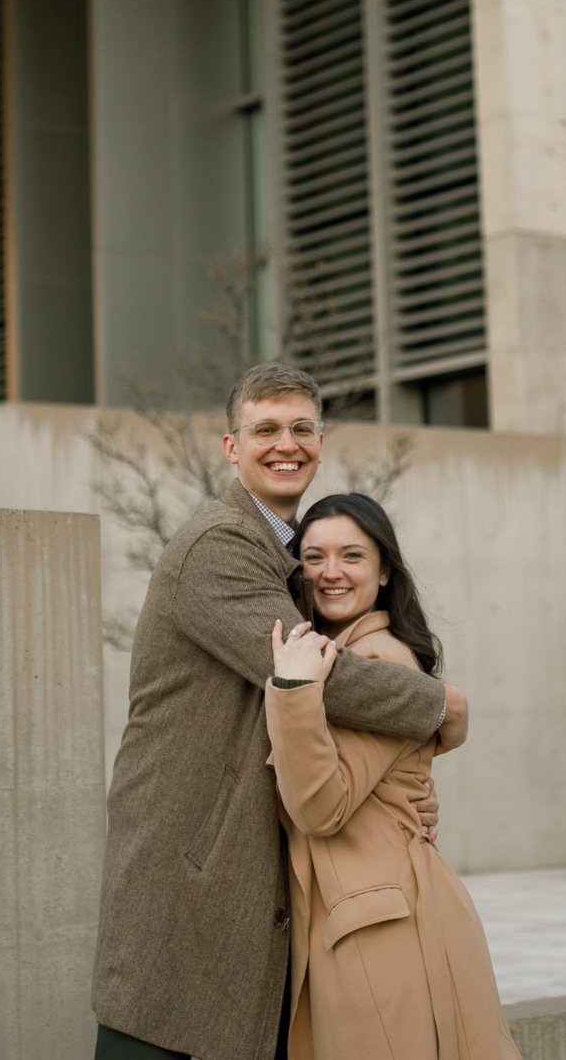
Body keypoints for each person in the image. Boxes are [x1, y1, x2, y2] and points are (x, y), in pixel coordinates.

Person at [94, 364, 471, 1060]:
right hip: (188, 877)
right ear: (231, 447)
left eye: (301, 427)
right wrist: (443, 707)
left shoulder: (285, 556)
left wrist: (402, 783)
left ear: (320, 442)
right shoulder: (222, 545)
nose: (285, 443)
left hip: (246, 882)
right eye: (265, 428)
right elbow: (318, 676)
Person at [267, 493, 521, 1060]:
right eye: (314, 557)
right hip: (364, 917)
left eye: (352, 556)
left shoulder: (380, 663)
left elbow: (318, 807)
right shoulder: (338, 657)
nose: (331, 572)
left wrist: (291, 690)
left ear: (384, 572)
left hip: (381, 930)